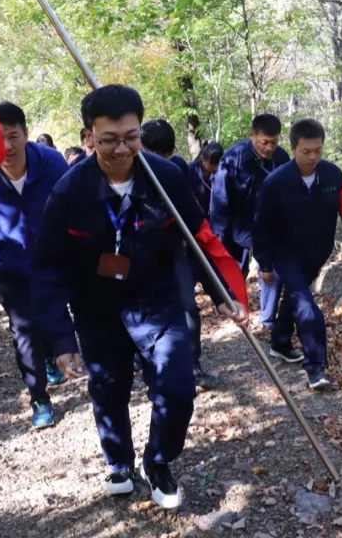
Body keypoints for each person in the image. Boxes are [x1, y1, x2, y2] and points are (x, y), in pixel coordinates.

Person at [30, 85, 248, 510]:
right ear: (89, 136)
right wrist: (60, 338)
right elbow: (48, 269)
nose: (122, 148)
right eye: (109, 139)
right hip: (97, 310)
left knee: (178, 387)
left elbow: (198, 238)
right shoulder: (69, 193)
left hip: (158, 302)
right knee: (109, 388)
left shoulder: (165, 179)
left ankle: (158, 460)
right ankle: (119, 461)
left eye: (131, 137)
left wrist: (223, 291)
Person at [0, 102, 70, 429]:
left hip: (54, 262)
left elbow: (76, 206)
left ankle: (52, 353)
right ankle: (39, 397)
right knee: (24, 329)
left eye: (13, 136)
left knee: (52, 314)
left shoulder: (52, 164)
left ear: (26, 133)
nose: (7, 146)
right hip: (8, 268)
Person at [253, 118, 342, 390]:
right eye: (306, 151)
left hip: (316, 253)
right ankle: (316, 369)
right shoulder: (276, 182)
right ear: (293, 148)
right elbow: (262, 226)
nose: (313, 156)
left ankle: (280, 343)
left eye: (318, 150)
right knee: (306, 306)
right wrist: (265, 262)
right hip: (285, 253)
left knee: (294, 298)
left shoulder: (332, 176)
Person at [140, 119, 213, 388]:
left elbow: (191, 210)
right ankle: (147, 358)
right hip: (138, 256)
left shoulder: (177, 168)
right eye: (156, 155)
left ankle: (193, 363)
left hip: (175, 249)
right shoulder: (128, 170)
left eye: (168, 154)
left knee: (188, 306)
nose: (163, 161)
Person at [209, 114, 290, 333]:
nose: (269, 147)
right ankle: (237, 310)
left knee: (271, 272)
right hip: (238, 228)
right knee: (236, 271)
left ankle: (267, 320)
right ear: (251, 136)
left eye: (274, 142)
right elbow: (220, 201)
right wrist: (218, 238)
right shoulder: (232, 159)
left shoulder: (281, 158)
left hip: (270, 228)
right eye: (264, 142)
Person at [188, 141, 223, 219]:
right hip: (197, 217)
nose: (215, 168)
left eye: (217, 165)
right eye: (212, 165)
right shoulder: (190, 171)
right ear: (203, 160)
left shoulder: (222, 171)